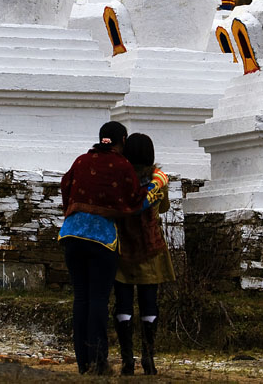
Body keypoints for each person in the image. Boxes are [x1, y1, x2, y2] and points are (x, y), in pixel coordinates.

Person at [59, 121, 146, 375]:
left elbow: (65, 186)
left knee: (81, 298)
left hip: (72, 234)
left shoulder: (80, 161)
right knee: (98, 299)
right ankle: (99, 361)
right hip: (101, 238)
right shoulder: (122, 165)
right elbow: (133, 198)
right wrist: (153, 187)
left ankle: (82, 362)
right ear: (122, 141)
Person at [113, 133, 176, 375]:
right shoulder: (159, 180)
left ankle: (127, 359)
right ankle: (149, 358)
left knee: (123, 304)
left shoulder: (119, 180)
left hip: (123, 247)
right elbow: (164, 207)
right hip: (152, 248)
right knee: (150, 304)